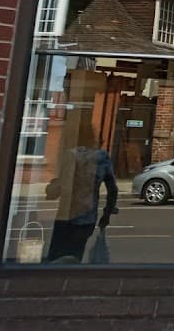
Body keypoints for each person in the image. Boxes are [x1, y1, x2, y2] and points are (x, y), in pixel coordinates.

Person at [44, 112, 118, 263]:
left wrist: (52, 187)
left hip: (66, 216)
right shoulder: (102, 158)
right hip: (87, 218)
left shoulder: (71, 155)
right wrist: (107, 214)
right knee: (74, 257)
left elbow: (61, 187)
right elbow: (113, 189)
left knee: (55, 259)